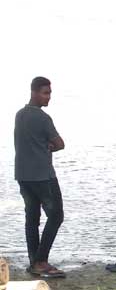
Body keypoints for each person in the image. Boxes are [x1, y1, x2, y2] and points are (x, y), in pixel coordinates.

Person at [15, 76, 66, 278]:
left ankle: (33, 261)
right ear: (34, 92)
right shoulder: (43, 118)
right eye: (45, 93)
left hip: (23, 175)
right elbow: (60, 143)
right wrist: (49, 146)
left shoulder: (19, 115)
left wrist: (43, 145)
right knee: (56, 215)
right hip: (42, 175)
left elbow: (27, 141)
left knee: (32, 218)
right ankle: (41, 261)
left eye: (50, 93)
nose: (49, 97)